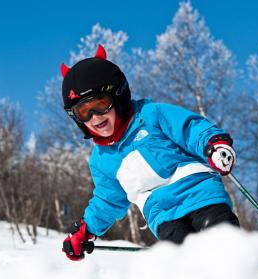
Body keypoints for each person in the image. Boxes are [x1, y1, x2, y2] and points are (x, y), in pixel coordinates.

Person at [60, 45, 239, 261]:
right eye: (84, 112)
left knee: (221, 244)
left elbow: (190, 128)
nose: (95, 117)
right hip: (163, 217)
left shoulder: (151, 115)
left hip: (201, 196)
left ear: (118, 95)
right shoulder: (101, 160)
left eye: (100, 104)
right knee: (187, 262)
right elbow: (108, 200)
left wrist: (214, 144)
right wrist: (86, 230)